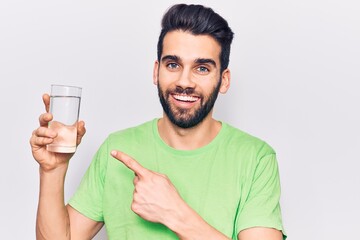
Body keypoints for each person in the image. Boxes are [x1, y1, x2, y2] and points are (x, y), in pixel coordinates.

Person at [30, 4, 286, 240]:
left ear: (224, 80)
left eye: (202, 68)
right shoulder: (117, 149)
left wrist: (174, 213)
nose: (185, 81)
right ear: (156, 71)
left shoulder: (256, 158)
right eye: (173, 64)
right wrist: (52, 171)